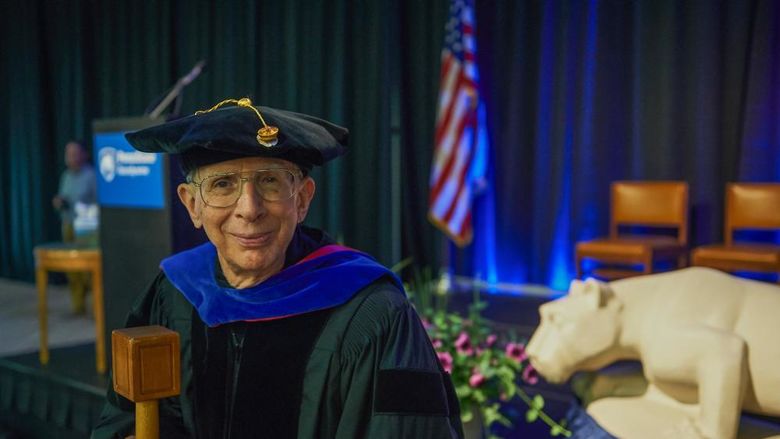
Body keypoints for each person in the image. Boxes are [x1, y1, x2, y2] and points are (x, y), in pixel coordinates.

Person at [91, 98, 463, 439]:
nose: (249, 209)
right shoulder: (172, 293)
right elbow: (129, 418)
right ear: (192, 206)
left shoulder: (373, 315)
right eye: (222, 184)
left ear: (301, 200)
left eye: (270, 181)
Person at [52, 140, 97, 313]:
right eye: (68, 154)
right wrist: (59, 202)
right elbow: (63, 198)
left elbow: (98, 202)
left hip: (86, 228)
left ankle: (95, 307)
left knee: (87, 270)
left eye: (74, 153)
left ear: (84, 155)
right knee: (72, 269)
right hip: (68, 224)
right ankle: (78, 306)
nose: (71, 158)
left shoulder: (91, 176)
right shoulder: (66, 176)